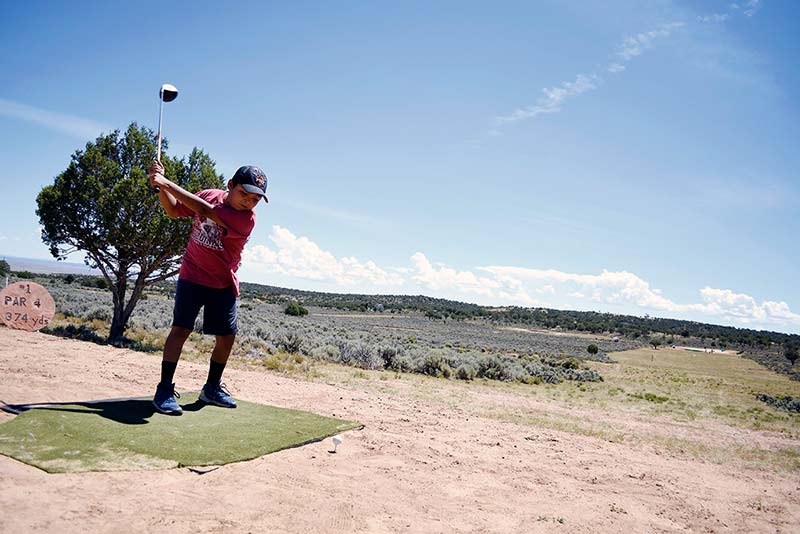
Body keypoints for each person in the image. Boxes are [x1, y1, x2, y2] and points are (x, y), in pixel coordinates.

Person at [148, 160, 268, 415]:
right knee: (180, 329)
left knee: (227, 337)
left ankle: (211, 388)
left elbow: (207, 211)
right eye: (244, 194)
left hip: (222, 281)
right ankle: (164, 389)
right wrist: (160, 186)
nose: (248, 201)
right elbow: (172, 210)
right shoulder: (208, 194)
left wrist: (167, 183)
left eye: (255, 199)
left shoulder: (246, 220)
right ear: (230, 185)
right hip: (192, 274)